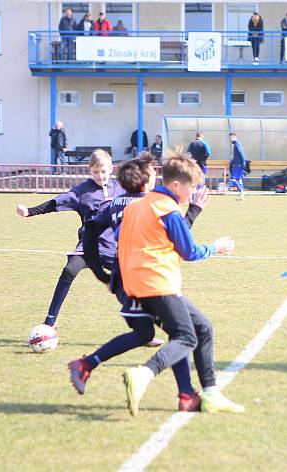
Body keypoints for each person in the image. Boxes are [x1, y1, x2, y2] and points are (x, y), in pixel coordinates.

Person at [71, 154, 211, 412]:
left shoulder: (114, 203)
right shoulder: (146, 204)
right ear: (146, 182)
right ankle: (184, 393)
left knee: (148, 333)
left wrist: (103, 274)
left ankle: (87, 364)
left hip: (124, 277)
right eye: (154, 174)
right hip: (144, 278)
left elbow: (89, 232)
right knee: (181, 334)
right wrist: (193, 212)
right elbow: (175, 241)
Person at [118, 153, 244, 415]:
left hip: (135, 285)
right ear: (176, 185)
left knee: (203, 327)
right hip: (158, 283)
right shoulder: (169, 210)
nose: (193, 191)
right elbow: (190, 252)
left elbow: (122, 238)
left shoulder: (137, 206)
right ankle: (144, 373)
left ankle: (210, 394)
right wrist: (216, 247)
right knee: (187, 337)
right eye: (191, 186)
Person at [15, 150, 123, 329]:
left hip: (114, 248)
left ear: (111, 169)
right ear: (90, 171)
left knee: (132, 284)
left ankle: (144, 328)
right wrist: (29, 211)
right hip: (89, 246)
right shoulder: (82, 191)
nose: (100, 176)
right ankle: (50, 321)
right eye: (95, 172)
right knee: (69, 270)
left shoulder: (121, 189)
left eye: (103, 171)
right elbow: (55, 203)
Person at [228, 133, 246, 200]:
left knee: (232, 179)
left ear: (234, 137)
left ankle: (241, 191)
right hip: (238, 164)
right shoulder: (236, 144)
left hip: (238, 165)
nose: (230, 139)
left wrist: (243, 163)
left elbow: (241, 154)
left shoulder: (237, 144)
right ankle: (242, 197)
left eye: (230, 138)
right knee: (239, 180)